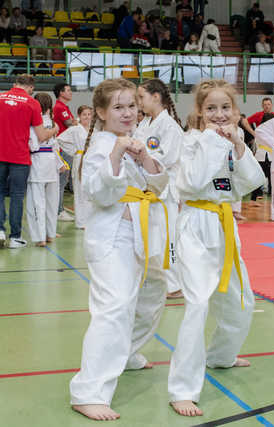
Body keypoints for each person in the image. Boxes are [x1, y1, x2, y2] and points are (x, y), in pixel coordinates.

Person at [70, 79, 168, 421]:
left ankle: (126, 351)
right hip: (113, 236)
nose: (128, 113)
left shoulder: (131, 141)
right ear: (100, 112)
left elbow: (160, 183)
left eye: (131, 106)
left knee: (153, 292)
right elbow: (99, 192)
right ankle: (88, 391)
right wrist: (116, 153)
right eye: (118, 107)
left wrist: (145, 160)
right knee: (112, 307)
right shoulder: (101, 145)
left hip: (141, 232)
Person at [167, 79, 265, 417]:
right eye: (211, 108)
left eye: (226, 108)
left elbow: (252, 182)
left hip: (225, 226)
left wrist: (239, 145)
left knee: (241, 299)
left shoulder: (231, 142)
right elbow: (191, 183)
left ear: (236, 112)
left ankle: (221, 356)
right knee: (197, 304)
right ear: (199, 112)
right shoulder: (192, 141)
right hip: (196, 226)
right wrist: (212, 139)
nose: (219, 114)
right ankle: (182, 389)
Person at [126, 78, 184, 372]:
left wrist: (142, 154)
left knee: (168, 241)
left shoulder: (169, 126)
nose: (139, 102)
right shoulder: (147, 123)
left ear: (156, 96)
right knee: (155, 241)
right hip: (146, 192)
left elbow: (168, 158)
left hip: (165, 193)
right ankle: (162, 278)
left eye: (141, 96)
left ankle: (174, 283)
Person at [0, 74, 58, 249]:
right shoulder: (32, 103)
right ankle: (15, 237)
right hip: (20, 156)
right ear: (31, 87)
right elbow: (40, 136)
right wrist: (54, 129)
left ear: (14, 84)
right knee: (16, 196)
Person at [26, 93, 65, 247]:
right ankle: (50, 234)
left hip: (37, 161)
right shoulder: (53, 123)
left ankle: (39, 237)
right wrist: (59, 163)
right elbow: (55, 145)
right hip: (51, 163)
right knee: (52, 202)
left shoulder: (34, 123)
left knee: (37, 203)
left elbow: (33, 145)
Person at [56, 105, 92, 229]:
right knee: (79, 190)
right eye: (84, 115)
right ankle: (81, 221)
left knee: (90, 190)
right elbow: (60, 140)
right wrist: (74, 151)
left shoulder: (95, 130)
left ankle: (91, 219)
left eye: (89, 114)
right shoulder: (75, 129)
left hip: (92, 160)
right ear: (79, 117)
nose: (87, 117)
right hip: (80, 159)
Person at [53, 83, 76, 222]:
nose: (71, 92)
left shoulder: (64, 107)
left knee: (63, 180)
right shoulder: (60, 107)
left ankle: (58, 209)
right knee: (62, 181)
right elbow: (71, 124)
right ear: (61, 93)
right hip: (63, 149)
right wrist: (77, 122)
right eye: (68, 90)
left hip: (65, 148)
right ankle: (58, 211)